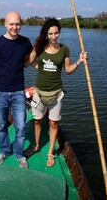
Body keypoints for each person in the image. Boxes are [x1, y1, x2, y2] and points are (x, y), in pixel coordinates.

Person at [29, 18, 87, 167]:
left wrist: (79, 61)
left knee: (53, 124)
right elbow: (29, 61)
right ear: (46, 34)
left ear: (59, 33)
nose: (54, 36)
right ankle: (36, 145)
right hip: (39, 93)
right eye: (50, 33)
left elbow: (67, 70)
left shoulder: (64, 49)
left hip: (56, 93)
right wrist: (39, 67)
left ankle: (50, 152)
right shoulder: (39, 47)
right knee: (37, 121)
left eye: (56, 33)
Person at [0, 11, 33, 169]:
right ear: (5, 24)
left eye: (17, 24)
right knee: (1, 125)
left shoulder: (26, 42)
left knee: (21, 126)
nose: (15, 27)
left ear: (21, 24)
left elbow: (27, 62)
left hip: (18, 91)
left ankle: (20, 154)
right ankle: (4, 150)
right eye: (11, 24)